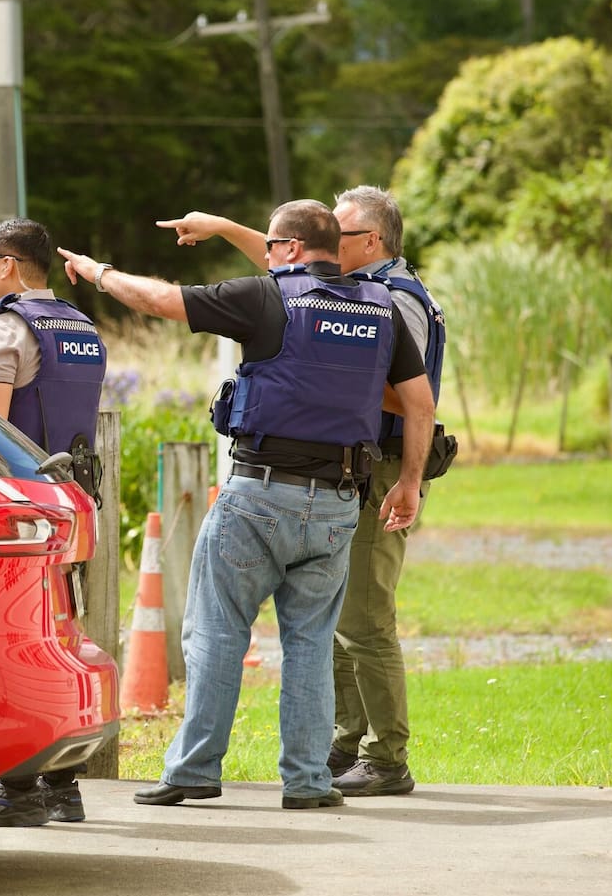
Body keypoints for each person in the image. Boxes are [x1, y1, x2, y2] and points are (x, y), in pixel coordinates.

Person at [60, 199, 434, 810]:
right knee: (312, 645)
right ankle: (309, 782)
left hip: (259, 494)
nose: (266, 257)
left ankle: (193, 770)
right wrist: (410, 483)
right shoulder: (382, 309)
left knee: (215, 633)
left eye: (270, 248)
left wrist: (99, 271)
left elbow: (158, 301)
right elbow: (419, 405)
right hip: (339, 505)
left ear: (287, 249)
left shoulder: (267, 298)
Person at [156, 185, 445, 797]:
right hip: (347, 467)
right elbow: (290, 278)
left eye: (338, 237)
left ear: (368, 243)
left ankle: (385, 756)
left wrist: (313, 369)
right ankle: (329, 753)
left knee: (364, 620)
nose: (325, 250)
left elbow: (400, 390)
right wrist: (226, 226)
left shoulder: (391, 301)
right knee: (328, 625)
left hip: (372, 465)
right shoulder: (359, 293)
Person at [0, 218, 107, 828]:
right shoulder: (81, 326)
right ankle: (63, 786)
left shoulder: (5, 329)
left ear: (7, 265)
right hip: (72, 502)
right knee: (59, 639)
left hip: (19, 510)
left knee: (9, 644)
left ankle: (16, 789)